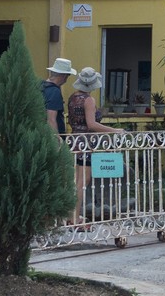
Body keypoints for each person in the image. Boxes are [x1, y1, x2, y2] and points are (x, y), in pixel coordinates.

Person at [67, 67, 123, 224]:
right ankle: (74, 217)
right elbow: (91, 124)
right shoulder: (88, 100)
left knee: (74, 180)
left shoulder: (72, 98)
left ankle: (69, 215)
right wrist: (114, 130)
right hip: (85, 142)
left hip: (74, 139)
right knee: (82, 181)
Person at [41, 58, 76, 134]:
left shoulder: (41, 86)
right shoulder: (54, 91)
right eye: (68, 75)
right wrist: (56, 139)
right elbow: (51, 119)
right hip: (50, 138)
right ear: (64, 76)